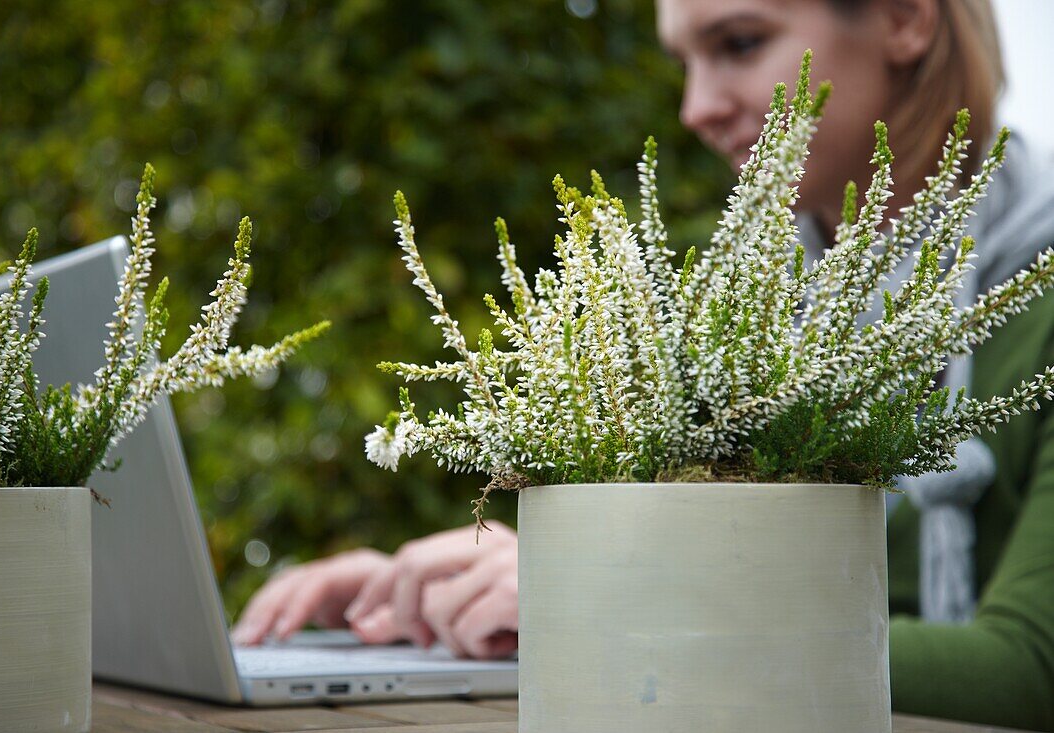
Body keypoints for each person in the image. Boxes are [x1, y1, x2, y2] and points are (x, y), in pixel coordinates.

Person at [234, 0, 1054, 728]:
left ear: (907, 18)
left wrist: (603, 594)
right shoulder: (747, 327)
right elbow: (689, 566)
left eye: (738, 42)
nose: (695, 107)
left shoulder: (1035, 299)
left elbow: (1029, 671)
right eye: (683, 63)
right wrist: (416, 603)